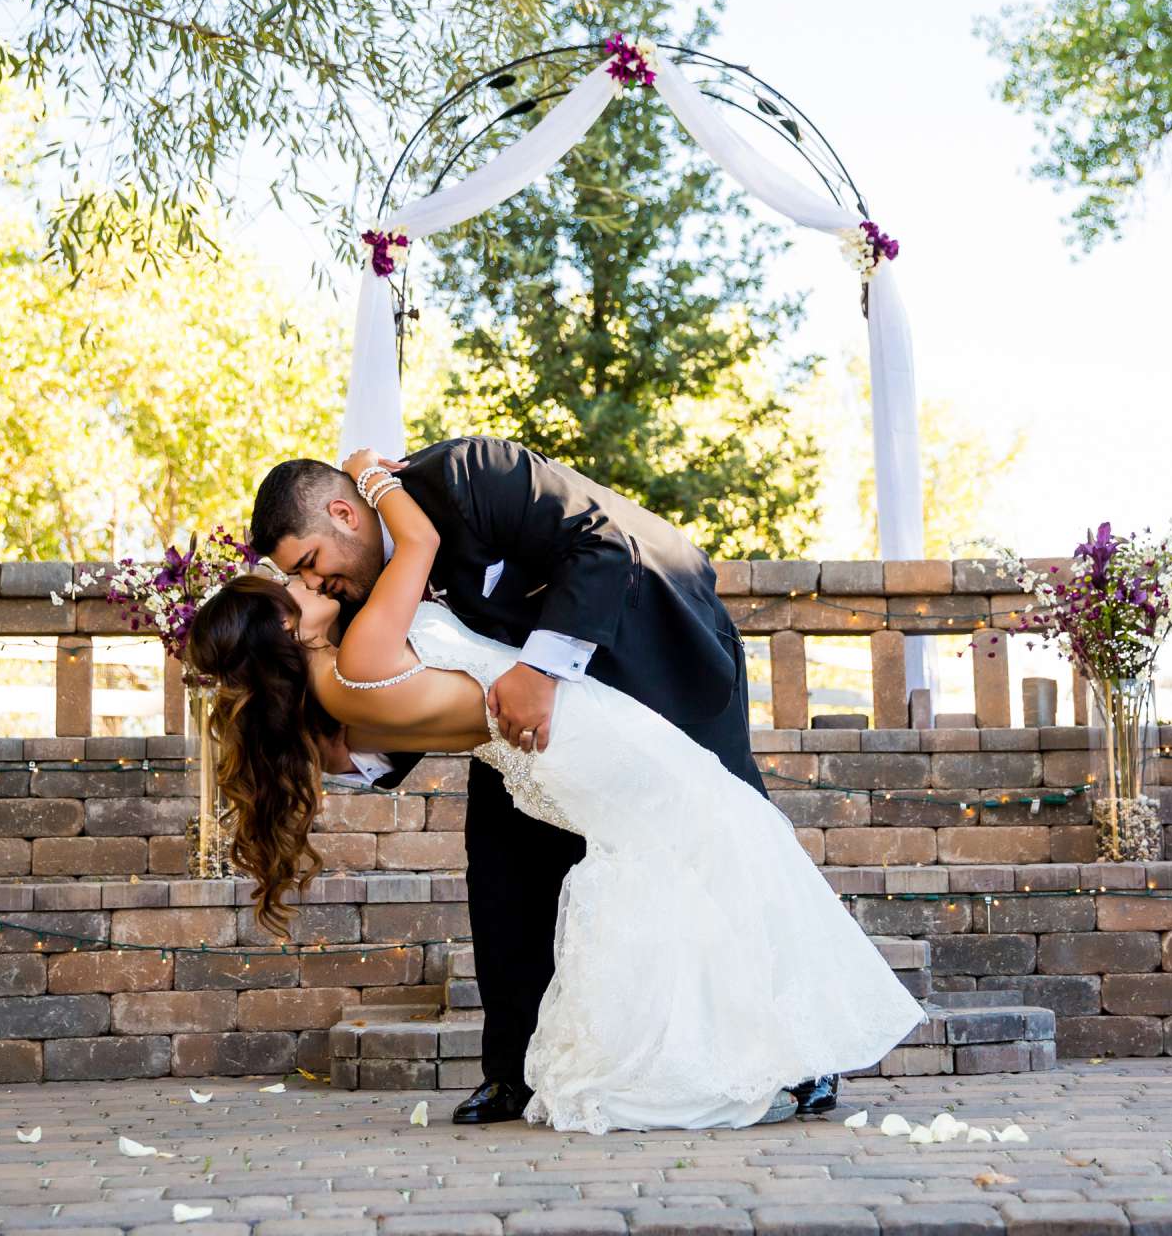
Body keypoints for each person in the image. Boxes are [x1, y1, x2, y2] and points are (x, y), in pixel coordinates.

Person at [191, 440, 921, 1132]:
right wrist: (371, 752)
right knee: (503, 872)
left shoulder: (472, 475)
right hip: (527, 727)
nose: (320, 584)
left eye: (314, 563)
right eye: (304, 580)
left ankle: (801, 1059)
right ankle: (517, 1069)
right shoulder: (350, 593)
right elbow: (409, 683)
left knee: (727, 849)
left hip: (652, 651)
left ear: (345, 514)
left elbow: (600, 542)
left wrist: (540, 672)